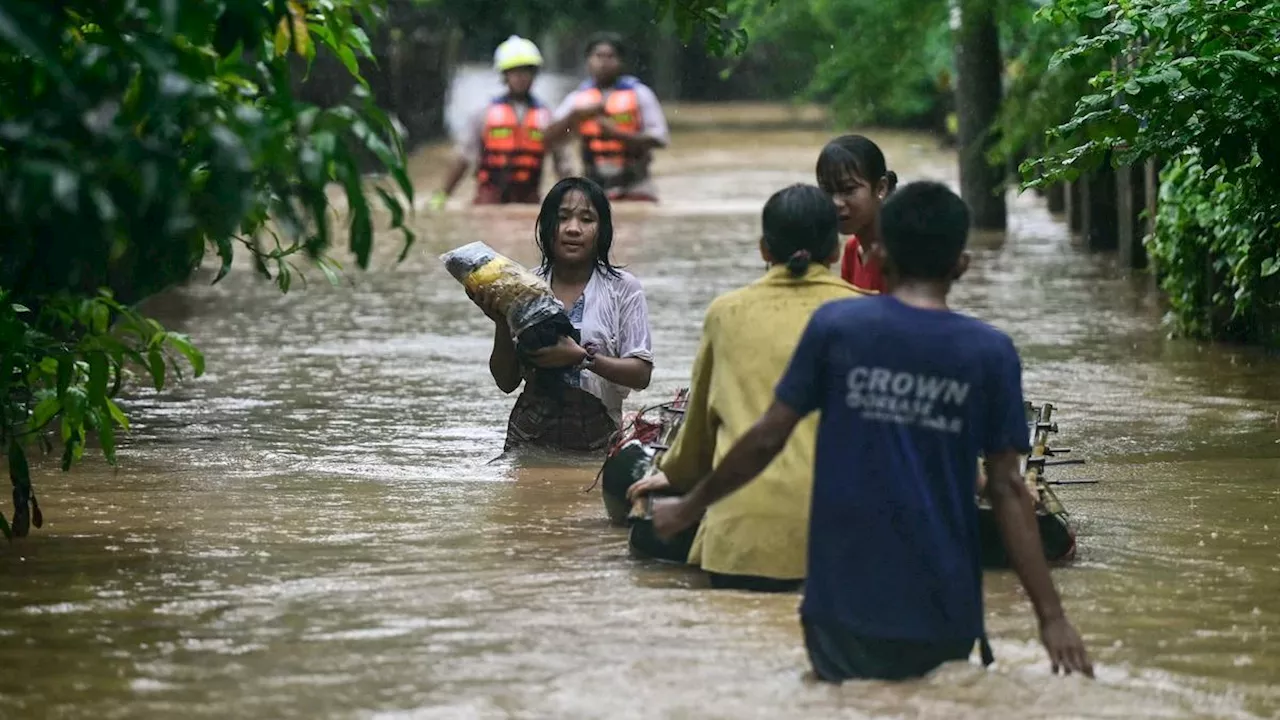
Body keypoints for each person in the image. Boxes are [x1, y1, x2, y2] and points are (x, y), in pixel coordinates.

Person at [651, 181, 1093, 682]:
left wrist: (689, 506)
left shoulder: (838, 328)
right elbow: (1009, 490)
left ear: (878, 254)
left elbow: (766, 437)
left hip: (842, 602)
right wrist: (1052, 619)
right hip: (943, 603)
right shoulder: (989, 352)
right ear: (962, 264)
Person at [626, 185, 860, 591]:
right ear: (837, 251)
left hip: (742, 540)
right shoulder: (868, 313)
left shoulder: (726, 313)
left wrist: (672, 475)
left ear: (764, 249)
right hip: (845, 542)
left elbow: (699, 428)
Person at [472, 177, 654, 452]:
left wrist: (583, 358)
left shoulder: (623, 288)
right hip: (529, 437)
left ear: (602, 231)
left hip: (599, 439)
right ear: (547, 227)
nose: (573, 229)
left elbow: (641, 374)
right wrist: (501, 319)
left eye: (587, 219)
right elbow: (506, 382)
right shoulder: (524, 286)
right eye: (563, 217)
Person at [431, 36, 571, 208]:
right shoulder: (483, 114)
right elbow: (463, 158)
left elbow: (562, 163)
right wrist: (443, 195)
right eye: (514, 71)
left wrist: (571, 196)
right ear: (504, 75)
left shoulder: (547, 117)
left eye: (526, 71)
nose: (521, 77)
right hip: (489, 198)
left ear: (534, 74)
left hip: (529, 199)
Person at [544, 32, 669, 203]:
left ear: (621, 62)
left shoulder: (640, 94)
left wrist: (619, 135)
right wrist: (575, 116)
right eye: (598, 56)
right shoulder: (577, 99)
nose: (604, 62)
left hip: (635, 183)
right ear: (588, 61)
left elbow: (660, 138)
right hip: (594, 185)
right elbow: (549, 137)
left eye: (610, 57)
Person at [815, 135, 897, 294]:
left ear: (881, 188)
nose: (836, 202)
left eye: (848, 190)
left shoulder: (897, 256)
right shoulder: (852, 250)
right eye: (827, 191)